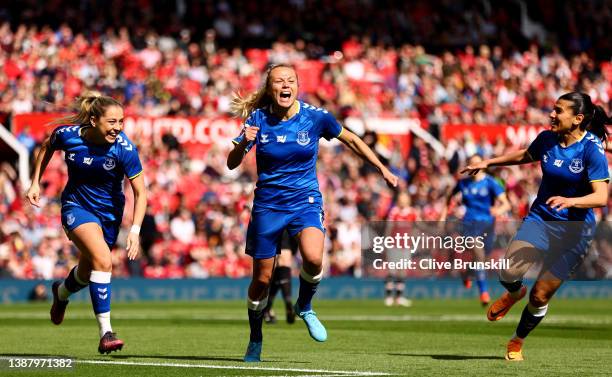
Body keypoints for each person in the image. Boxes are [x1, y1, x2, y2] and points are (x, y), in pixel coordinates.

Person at [227, 64, 398, 362]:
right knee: (262, 281)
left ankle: (304, 306)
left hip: (305, 200)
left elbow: (353, 140)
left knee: (315, 257)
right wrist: (243, 142)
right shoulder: (257, 119)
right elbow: (231, 164)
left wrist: (382, 168)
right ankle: (255, 337)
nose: (285, 85)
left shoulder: (316, 117)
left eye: (290, 80)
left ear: (297, 85)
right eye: (278, 81)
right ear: (270, 88)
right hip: (268, 205)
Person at [461, 92, 609, 361]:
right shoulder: (547, 139)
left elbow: (601, 197)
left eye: (558, 111)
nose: (552, 114)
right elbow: (526, 155)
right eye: (553, 109)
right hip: (541, 219)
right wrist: (488, 162)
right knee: (508, 271)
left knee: (541, 296)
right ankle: (515, 292)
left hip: (575, 233)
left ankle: (517, 341)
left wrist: (571, 201)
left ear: (577, 119)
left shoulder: (592, 149)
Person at [26, 92, 147, 354]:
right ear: (93, 121)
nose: (118, 128)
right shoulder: (68, 135)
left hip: (110, 215)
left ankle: (61, 294)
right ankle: (106, 333)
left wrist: (135, 231)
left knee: (85, 272)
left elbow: (141, 192)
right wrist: (35, 181)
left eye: (121, 121)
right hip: (76, 208)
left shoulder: (124, 149)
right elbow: (47, 146)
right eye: (112, 122)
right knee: (104, 261)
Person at [441, 154, 511, 306]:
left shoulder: (491, 183)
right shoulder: (463, 183)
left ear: (483, 165)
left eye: (477, 164)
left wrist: (498, 211)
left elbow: (506, 204)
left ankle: (467, 273)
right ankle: (484, 293)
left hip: (488, 225)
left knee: (481, 260)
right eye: (471, 164)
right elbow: (449, 197)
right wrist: (443, 215)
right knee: (478, 254)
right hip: (469, 224)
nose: (474, 167)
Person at [262, 230, 297, 324]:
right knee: (282, 270)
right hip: (285, 242)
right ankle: (287, 299)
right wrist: (292, 250)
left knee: (273, 276)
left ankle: (267, 309)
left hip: (269, 239)